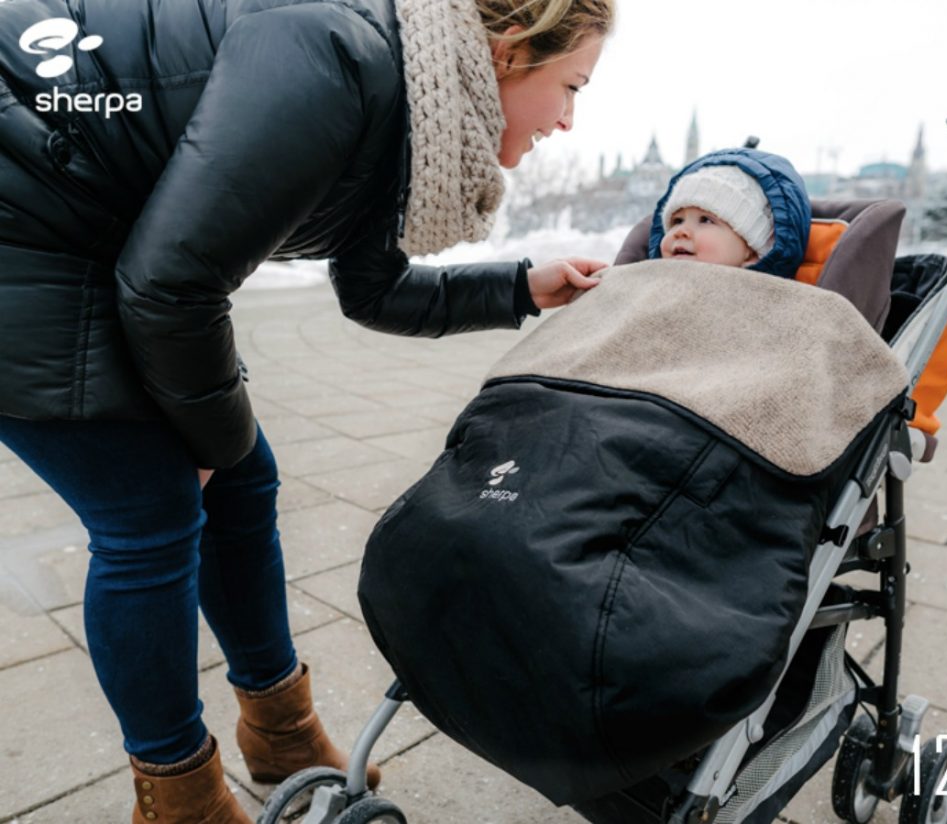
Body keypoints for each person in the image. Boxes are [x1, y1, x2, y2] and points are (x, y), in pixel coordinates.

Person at [0, 0, 614, 820]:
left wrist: (517, 286)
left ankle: (279, 728)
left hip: (83, 221)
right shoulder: (339, 56)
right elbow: (170, 285)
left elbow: (374, 288)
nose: (571, 119)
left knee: (242, 478)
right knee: (150, 515)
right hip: (25, 216)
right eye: (572, 84)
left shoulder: (411, 102)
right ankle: (176, 794)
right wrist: (208, 440)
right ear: (509, 50)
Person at [650, 147, 812, 276]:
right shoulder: (646, 283)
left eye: (705, 220)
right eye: (677, 221)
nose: (681, 231)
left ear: (751, 252)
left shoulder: (766, 307)